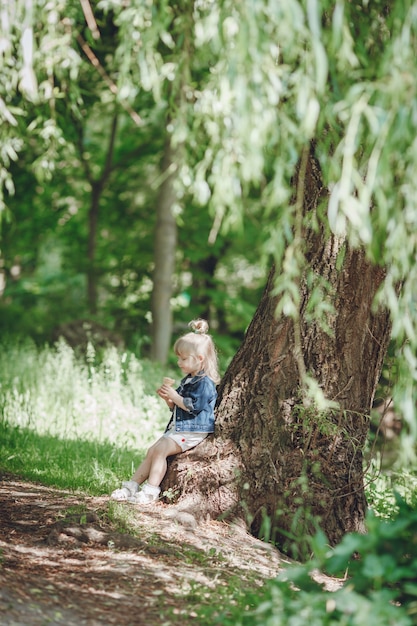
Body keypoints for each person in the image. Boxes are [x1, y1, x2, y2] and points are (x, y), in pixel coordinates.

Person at [111, 319, 220, 505]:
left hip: (193, 430)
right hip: (181, 427)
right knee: (152, 450)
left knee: (161, 450)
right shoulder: (188, 380)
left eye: (184, 359)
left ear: (200, 359)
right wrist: (169, 399)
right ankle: (131, 486)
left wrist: (175, 397)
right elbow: (178, 407)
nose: (179, 362)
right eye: (178, 358)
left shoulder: (205, 383)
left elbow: (193, 407)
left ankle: (151, 490)